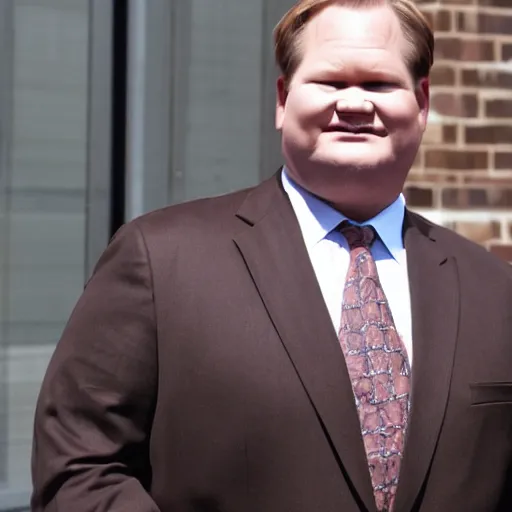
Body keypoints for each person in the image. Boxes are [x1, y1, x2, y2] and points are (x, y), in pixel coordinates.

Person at [31, 0, 512, 511]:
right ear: (283, 100)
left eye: (378, 84)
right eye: (330, 81)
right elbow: (79, 467)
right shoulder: (161, 260)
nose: (353, 103)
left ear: (421, 103)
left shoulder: (494, 289)